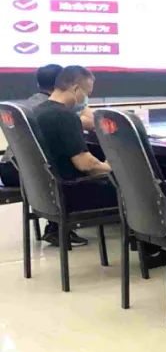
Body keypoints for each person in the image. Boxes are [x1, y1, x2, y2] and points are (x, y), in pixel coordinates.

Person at [31, 66, 116, 248]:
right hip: (72, 193)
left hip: (47, 193)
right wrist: (112, 167)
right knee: (136, 188)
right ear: (76, 89)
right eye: (87, 94)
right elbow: (86, 165)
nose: (86, 100)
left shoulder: (37, 111)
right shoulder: (66, 117)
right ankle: (151, 248)